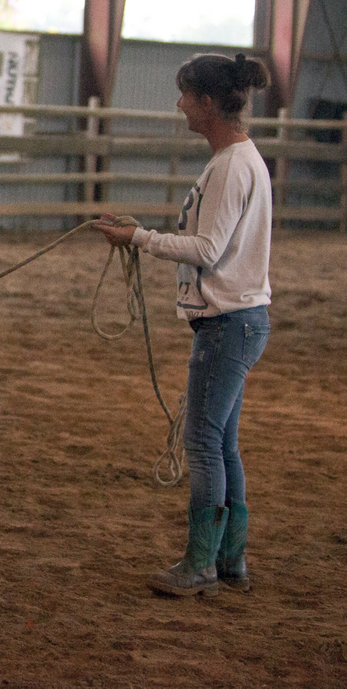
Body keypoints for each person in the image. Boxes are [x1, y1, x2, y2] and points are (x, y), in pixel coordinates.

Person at [93, 52, 272, 597]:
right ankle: (229, 558)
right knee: (222, 443)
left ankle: (201, 564)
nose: (180, 105)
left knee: (202, 442)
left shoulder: (231, 166)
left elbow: (207, 249)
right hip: (240, 319)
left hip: (227, 322)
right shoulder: (238, 160)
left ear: (208, 103)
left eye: (187, 96)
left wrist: (140, 238)